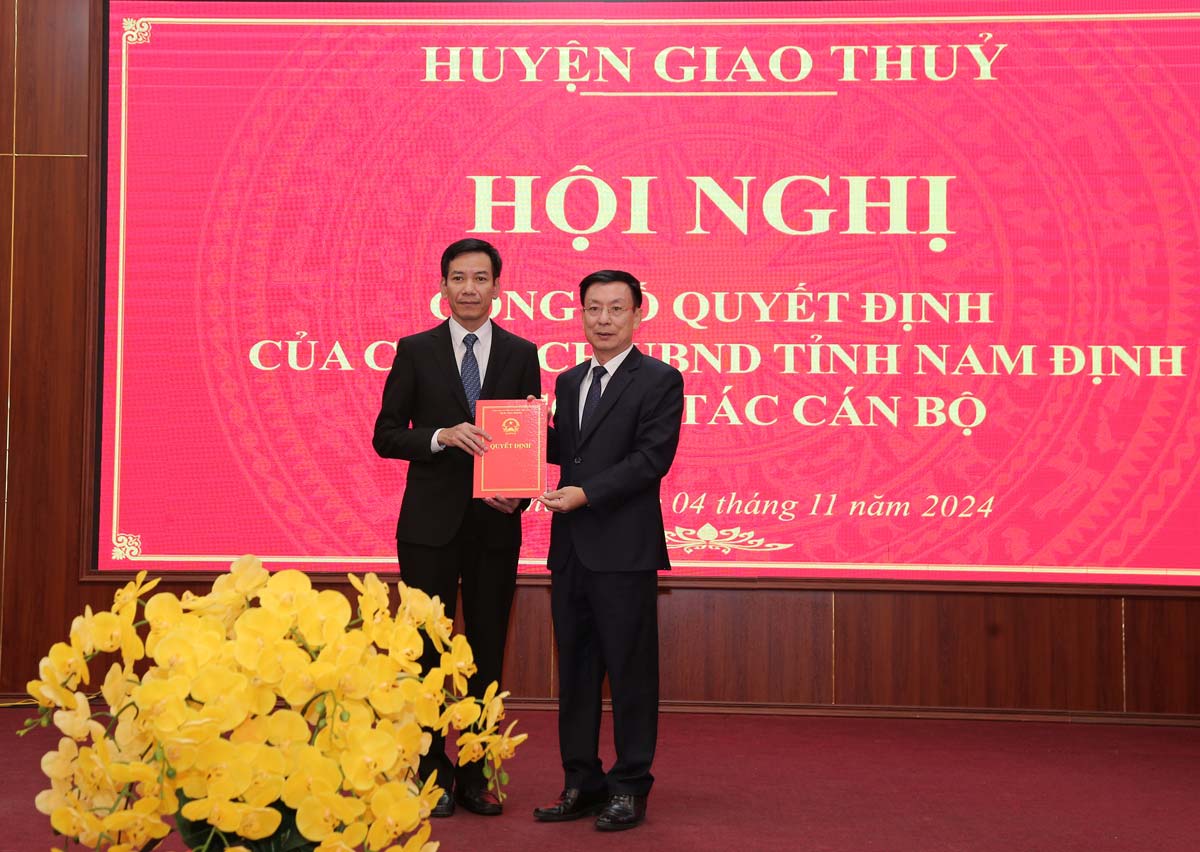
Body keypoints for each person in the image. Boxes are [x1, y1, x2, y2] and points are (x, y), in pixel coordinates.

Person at [373, 238, 541, 818]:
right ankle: (428, 773)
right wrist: (441, 436)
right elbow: (387, 434)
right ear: (442, 287)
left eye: (480, 278)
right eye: (458, 279)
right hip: (428, 526)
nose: (469, 288)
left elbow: (527, 440)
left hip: (495, 526)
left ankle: (476, 773)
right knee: (424, 653)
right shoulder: (414, 350)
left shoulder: (523, 352)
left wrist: (517, 497)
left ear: (498, 287)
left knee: (488, 650)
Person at [533, 269, 684, 831]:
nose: (603, 319)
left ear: (638, 314)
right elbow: (569, 451)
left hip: (624, 550)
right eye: (593, 309)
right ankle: (582, 782)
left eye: (615, 309)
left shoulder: (660, 379)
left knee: (630, 673)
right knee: (574, 673)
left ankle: (629, 786)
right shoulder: (569, 381)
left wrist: (586, 494)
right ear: (581, 314)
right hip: (570, 550)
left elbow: (651, 460)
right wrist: (526, 429)